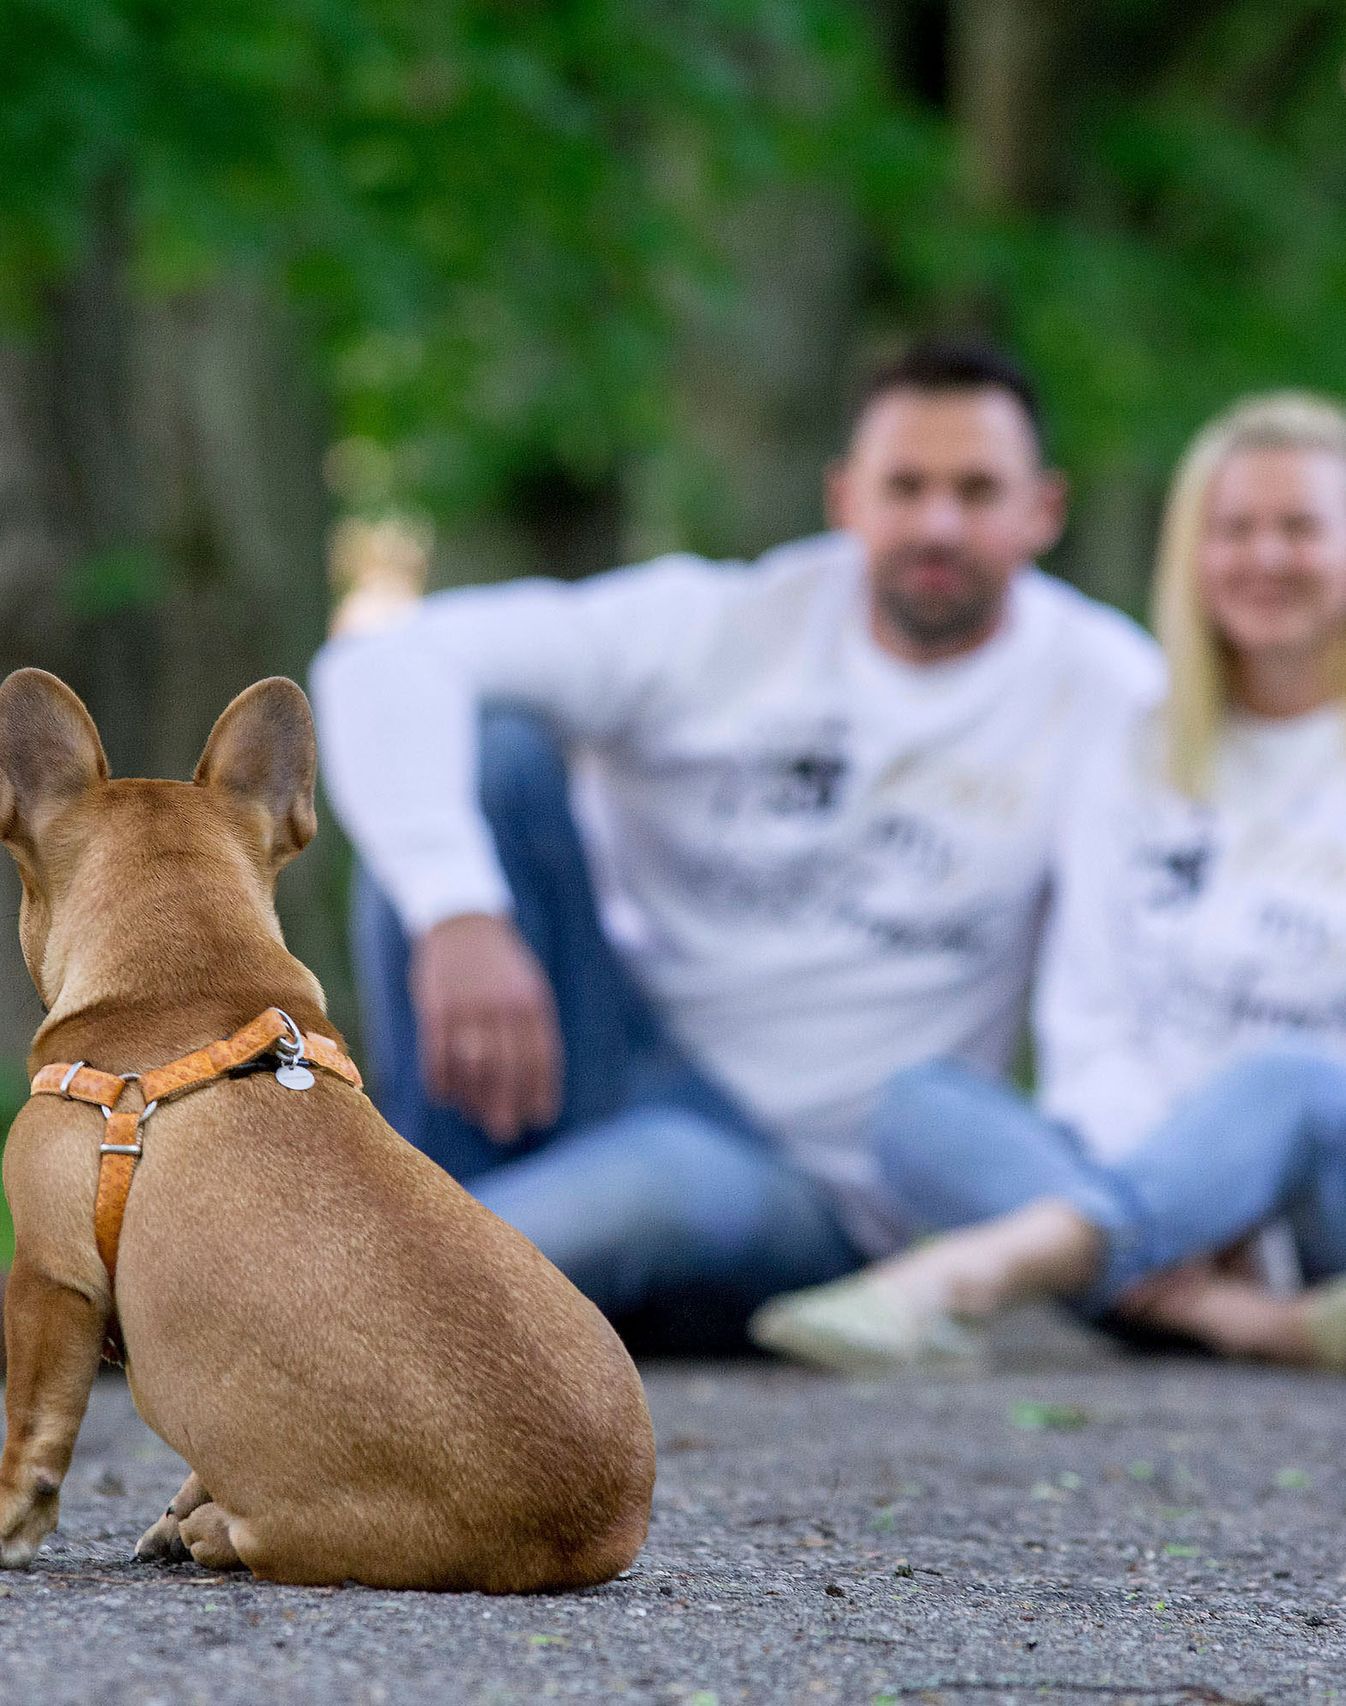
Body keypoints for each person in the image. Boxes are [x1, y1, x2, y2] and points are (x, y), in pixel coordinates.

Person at [311, 340, 1162, 1347]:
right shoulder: (721, 623)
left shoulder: (1108, 689)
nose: (938, 521)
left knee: (657, 1186)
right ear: (846, 497)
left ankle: (309, 1299)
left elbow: (1149, 964)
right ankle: (429, 1258)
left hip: (805, 1182)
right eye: (907, 485)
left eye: (977, 490)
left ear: (1042, 511)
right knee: (492, 758)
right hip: (597, 1057)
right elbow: (379, 662)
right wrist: (457, 907)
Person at [750, 391, 1346, 1375]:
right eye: (1234, 529)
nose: (1264, 557)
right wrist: (1185, 1208)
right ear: (1194, 552)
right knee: (914, 1109)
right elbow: (1092, 1032)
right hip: (1179, 1217)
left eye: (1299, 527)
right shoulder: (1130, 755)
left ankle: (967, 1275)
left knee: (1298, 1084)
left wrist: (1229, 1205)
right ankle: (1245, 1325)